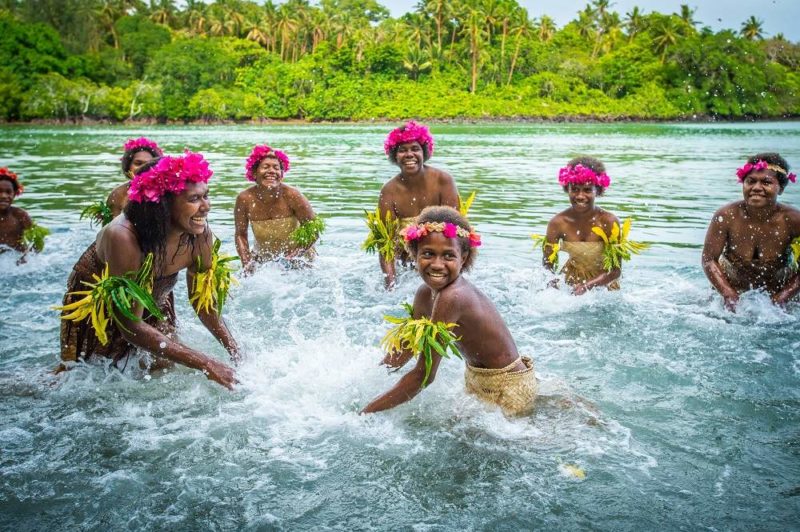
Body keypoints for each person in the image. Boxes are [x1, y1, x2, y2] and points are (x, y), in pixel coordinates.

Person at [57, 152, 240, 389]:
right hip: (98, 303)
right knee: (88, 377)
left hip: (155, 292)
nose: (206, 207)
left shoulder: (199, 234)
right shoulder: (123, 236)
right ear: (162, 205)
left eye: (206, 195)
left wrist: (235, 352)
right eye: (194, 199)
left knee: (162, 366)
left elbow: (203, 304)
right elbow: (130, 325)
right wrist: (205, 363)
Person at [361, 206, 538, 417]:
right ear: (414, 253)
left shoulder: (453, 297)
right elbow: (410, 347)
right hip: (478, 380)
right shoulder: (425, 294)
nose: (437, 264)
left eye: (448, 256)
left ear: (463, 258)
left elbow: (424, 375)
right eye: (428, 254)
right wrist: (372, 376)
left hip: (511, 388)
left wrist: (365, 413)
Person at [702, 153, 800, 311]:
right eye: (751, 181)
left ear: (780, 188)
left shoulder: (794, 220)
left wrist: (783, 297)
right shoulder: (726, 216)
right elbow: (709, 259)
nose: (756, 188)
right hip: (733, 292)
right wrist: (728, 294)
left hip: (778, 297)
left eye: (766, 182)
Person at [373, 121, 460, 289]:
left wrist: (450, 281)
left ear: (424, 152)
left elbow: (455, 234)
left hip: (439, 262)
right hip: (405, 265)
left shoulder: (443, 181)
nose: (409, 154)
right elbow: (385, 246)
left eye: (415, 149)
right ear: (394, 155)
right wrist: (390, 286)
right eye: (402, 150)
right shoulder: (389, 191)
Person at [540, 157, 624, 294]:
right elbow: (548, 267)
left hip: (604, 287)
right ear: (567, 189)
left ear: (598, 190)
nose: (580, 196)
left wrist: (588, 286)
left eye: (587, 190)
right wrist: (552, 288)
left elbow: (615, 271)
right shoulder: (557, 223)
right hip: (570, 283)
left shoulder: (609, 222)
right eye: (574, 189)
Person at [234, 144, 322, 272]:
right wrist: (247, 263)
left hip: (300, 260)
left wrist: (294, 255)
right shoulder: (244, 199)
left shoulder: (293, 195)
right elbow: (240, 235)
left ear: (281, 174)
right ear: (254, 172)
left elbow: (313, 229)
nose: (271, 171)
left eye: (276, 168)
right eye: (265, 167)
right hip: (263, 260)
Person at [105, 137, 164, 221]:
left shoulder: (165, 193)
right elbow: (108, 228)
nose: (144, 168)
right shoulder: (118, 194)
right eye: (138, 163)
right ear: (128, 166)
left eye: (149, 163)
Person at [0, 167, 37, 255]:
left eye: (8, 192)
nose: (4, 196)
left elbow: (37, 241)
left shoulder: (20, 216)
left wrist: (25, 258)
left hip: (17, 261)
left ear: (15, 193)